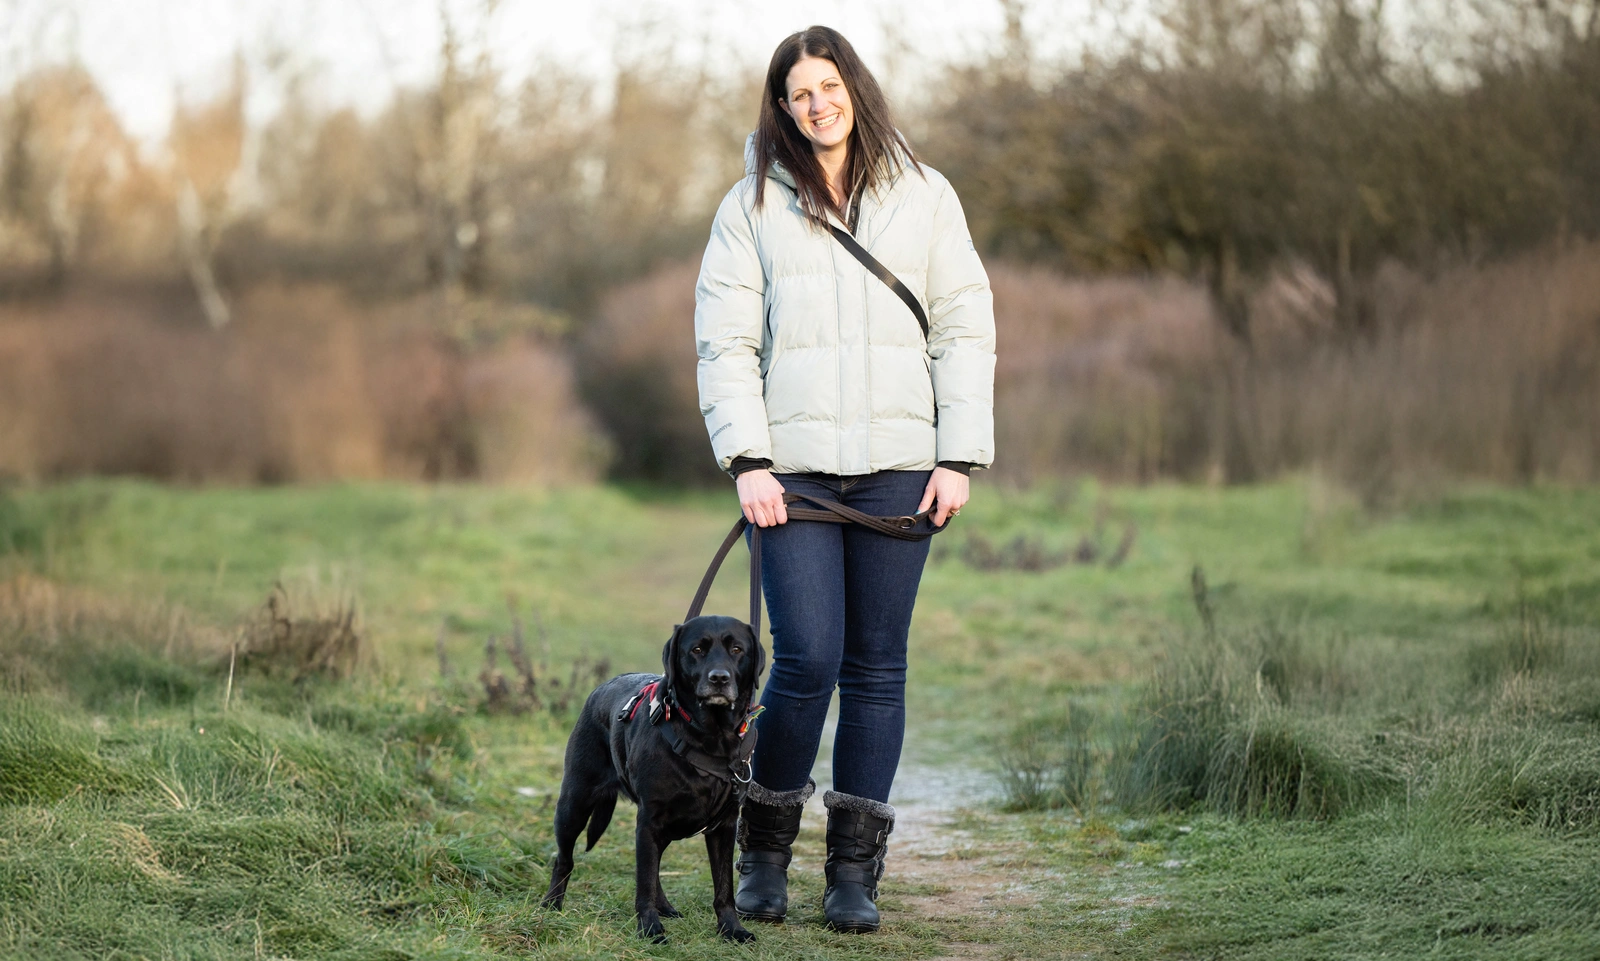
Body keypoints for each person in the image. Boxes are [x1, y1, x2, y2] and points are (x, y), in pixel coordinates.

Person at [693, 25, 995, 932]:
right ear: (782, 108)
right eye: (799, 93)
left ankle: (853, 875)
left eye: (828, 85)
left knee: (876, 669)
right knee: (809, 659)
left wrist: (959, 453)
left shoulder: (926, 195)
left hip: (902, 469)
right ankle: (764, 852)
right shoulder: (751, 204)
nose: (817, 103)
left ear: (853, 88)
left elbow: (963, 326)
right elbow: (726, 341)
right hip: (793, 477)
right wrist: (747, 458)